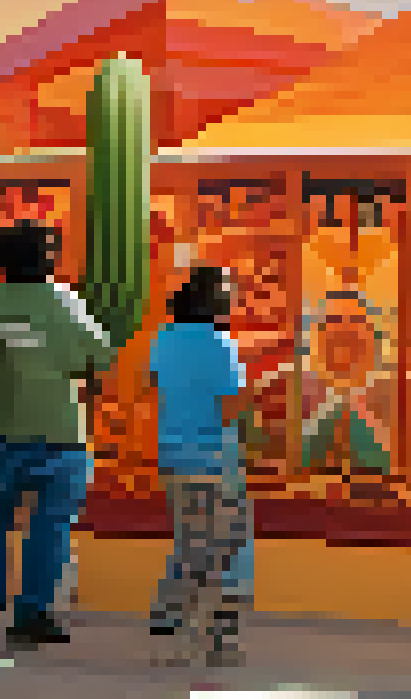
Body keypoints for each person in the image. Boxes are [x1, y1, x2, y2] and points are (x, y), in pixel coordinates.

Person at [0, 220, 112, 649]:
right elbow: (99, 361)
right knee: (51, 527)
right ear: (48, 258)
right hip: (64, 434)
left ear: (1, 261)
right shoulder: (68, 302)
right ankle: (33, 614)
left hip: (5, 434)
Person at [145, 264, 256, 666]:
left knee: (189, 539)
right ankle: (221, 634)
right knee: (228, 548)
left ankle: (169, 614)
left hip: (173, 456)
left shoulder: (165, 339)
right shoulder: (222, 345)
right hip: (216, 458)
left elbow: (154, 385)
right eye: (229, 291)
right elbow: (232, 409)